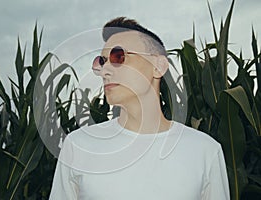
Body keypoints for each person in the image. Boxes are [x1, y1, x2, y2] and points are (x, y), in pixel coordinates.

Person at [49, 17, 230, 200]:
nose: (105, 71)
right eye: (102, 62)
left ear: (158, 67)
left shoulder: (205, 151)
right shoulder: (78, 146)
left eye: (118, 56)